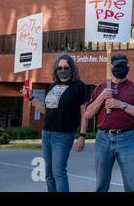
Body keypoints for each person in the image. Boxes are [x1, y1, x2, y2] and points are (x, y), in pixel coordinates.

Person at [24, 53, 88, 192]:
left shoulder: (79, 86)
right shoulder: (53, 86)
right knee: (49, 174)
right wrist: (31, 99)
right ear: (56, 69)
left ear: (72, 68)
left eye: (66, 67)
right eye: (60, 67)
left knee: (59, 172)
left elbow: (85, 114)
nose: (63, 70)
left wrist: (82, 135)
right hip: (47, 133)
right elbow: (48, 111)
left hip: (63, 135)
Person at [85, 54, 134, 192]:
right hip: (103, 139)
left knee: (133, 184)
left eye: (123, 65)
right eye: (117, 66)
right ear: (111, 68)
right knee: (101, 184)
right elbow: (88, 114)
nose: (120, 68)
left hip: (128, 139)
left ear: (128, 67)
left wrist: (121, 104)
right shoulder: (101, 88)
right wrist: (101, 97)